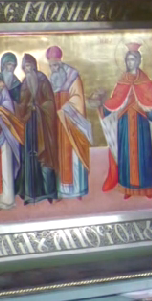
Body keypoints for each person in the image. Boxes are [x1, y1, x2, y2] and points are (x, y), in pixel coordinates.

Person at [97, 42, 152, 199]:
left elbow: (151, 104)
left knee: (144, 156)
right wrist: (103, 108)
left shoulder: (146, 83)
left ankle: (147, 189)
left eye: (132, 59)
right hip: (124, 124)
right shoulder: (122, 81)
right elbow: (115, 101)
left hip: (141, 125)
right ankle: (127, 189)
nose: (130, 62)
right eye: (128, 59)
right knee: (126, 155)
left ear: (138, 61)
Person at [47, 45, 93, 200]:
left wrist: (64, 110)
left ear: (60, 62)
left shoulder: (73, 77)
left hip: (72, 125)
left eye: (55, 65)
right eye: (51, 66)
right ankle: (60, 191)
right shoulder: (52, 79)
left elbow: (78, 101)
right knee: (59, 157)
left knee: (73, 157)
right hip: (58, 125)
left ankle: (77, 191)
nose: (53, 69)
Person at [13, 53, 59, 204]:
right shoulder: (25, 83)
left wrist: (38, 107)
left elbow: (51, 104)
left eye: (29, 66)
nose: (28, 70)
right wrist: (23, 107)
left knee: (45, 158)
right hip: (29, 127)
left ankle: (50, 193)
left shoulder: (43, 81)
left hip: (43, 128)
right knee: (30, 158)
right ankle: (31, 193)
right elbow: (22, 104)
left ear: (34, 66)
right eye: (25, 67)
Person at [0, 53, 22, 210]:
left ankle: (7, 199)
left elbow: (8, 105)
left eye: (12, 65)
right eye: (8, 65)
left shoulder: (0, 85)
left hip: (3, 130)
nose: (10, 68)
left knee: (5, 164)